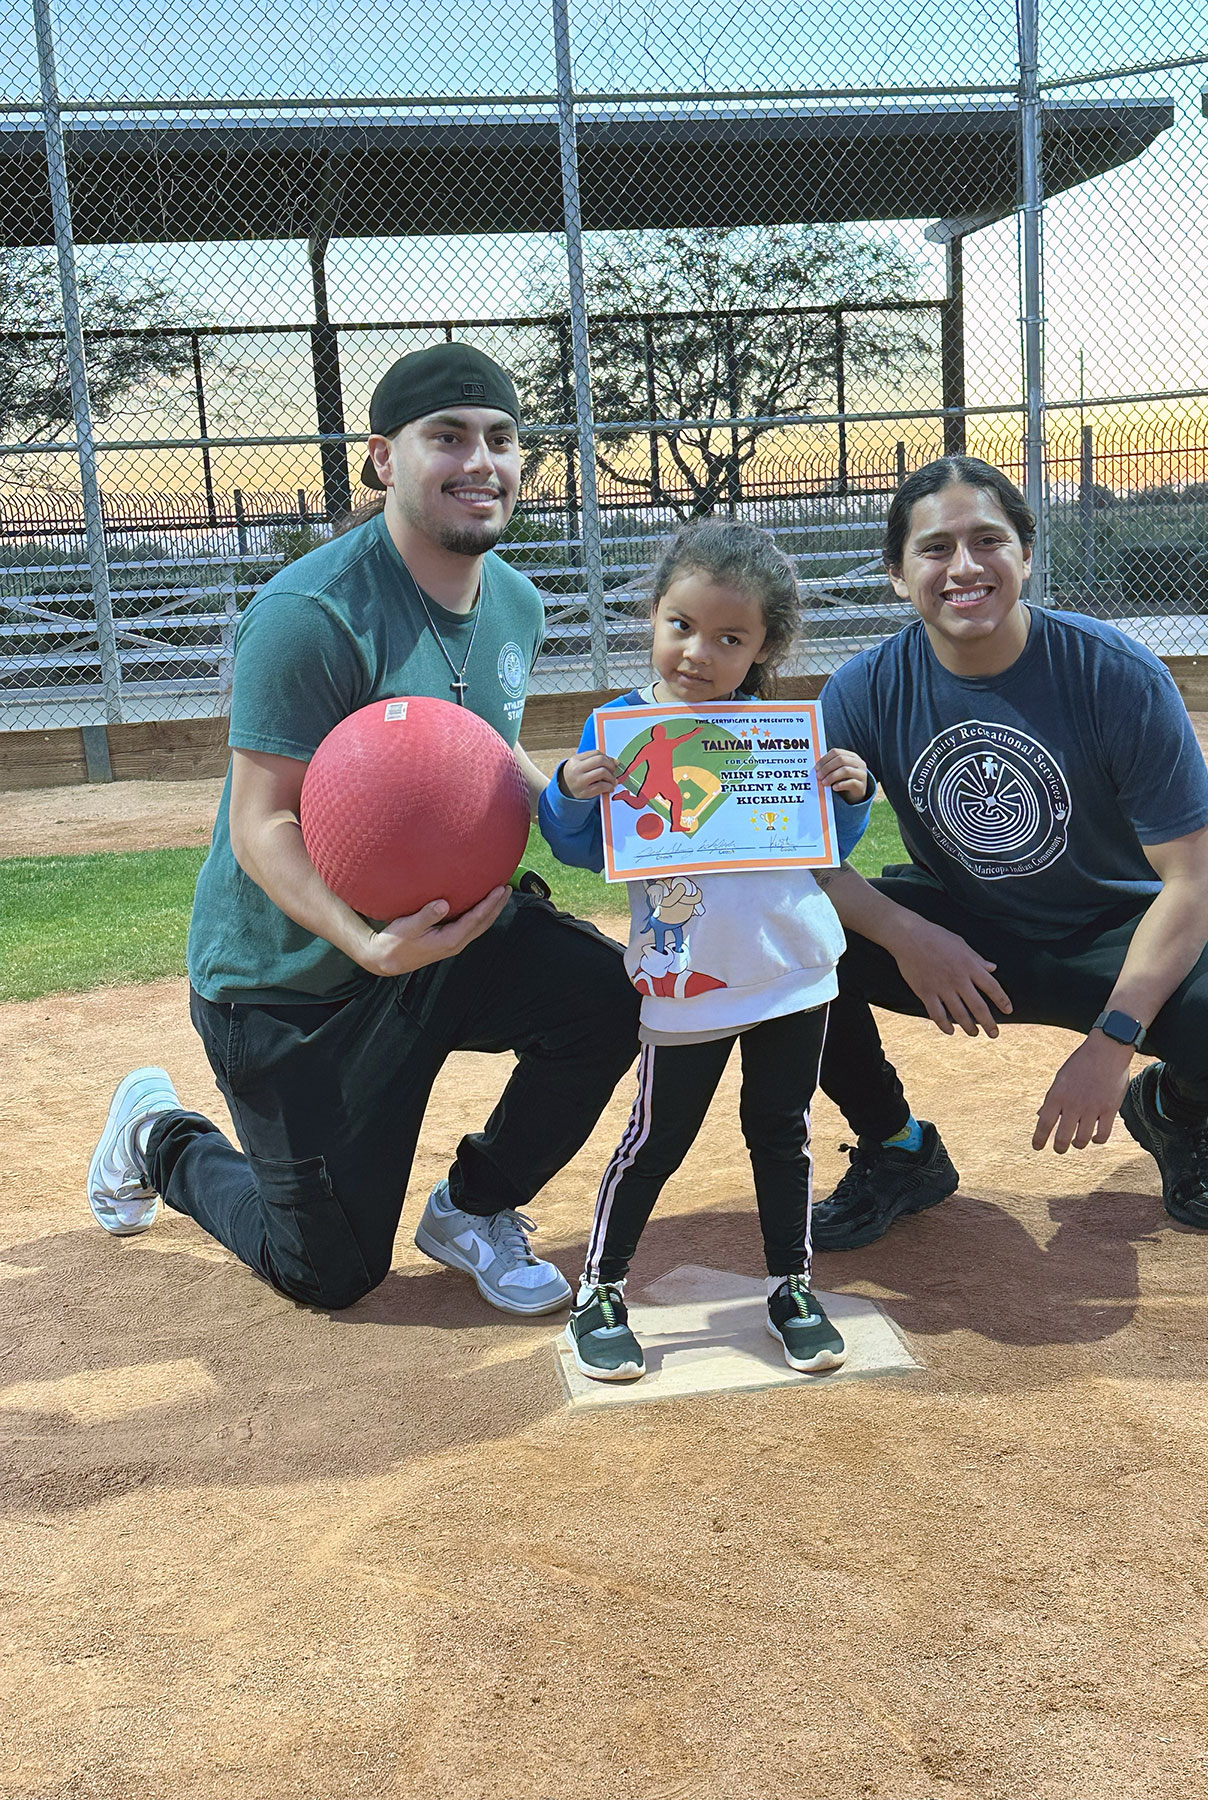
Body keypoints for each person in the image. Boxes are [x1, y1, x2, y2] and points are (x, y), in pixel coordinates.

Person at [87, 343, 638, 1314]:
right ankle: (159, 1139)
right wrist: (364, 943)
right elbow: (262, 826)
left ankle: (476, 1206)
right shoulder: (309, 614)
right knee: (329, 1273)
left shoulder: (514, 599)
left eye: (502, 439)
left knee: (608, 996)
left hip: (432, 936)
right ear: (384, 457)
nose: (482, 461)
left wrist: (563, 788)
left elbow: (474, 750)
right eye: (449, 438)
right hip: (290, 986)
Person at [809, 456, 1208, 1253]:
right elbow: (811, 862)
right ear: (899, 575)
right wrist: (908, 936)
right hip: (970, 930)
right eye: (934, 549)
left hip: (1118, 927)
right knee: (792, 945)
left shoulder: (1115, 674)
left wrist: (1113, 1040)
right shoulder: (863, 689)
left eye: (987, 540)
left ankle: (1172, 1114)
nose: (963, 567)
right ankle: (898, 1150)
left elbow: (1197, 880)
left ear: (1026, 554)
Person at [539, 519, 874, 1382]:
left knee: (783, 1133)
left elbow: (822, 850)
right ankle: (601, 1291)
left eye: (731, 638)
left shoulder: (780, 734)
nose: (700, 651)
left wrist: (851, 792)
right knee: (657, 1139)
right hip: (687, 980)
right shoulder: (621, 727)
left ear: (763, 647)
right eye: (682, 625)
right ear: (653, 617)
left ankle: (792, 1286)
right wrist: (570, 792)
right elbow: (580, 847)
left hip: (794, 971)